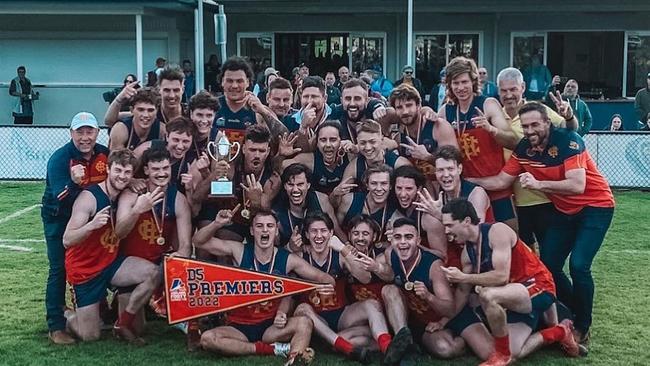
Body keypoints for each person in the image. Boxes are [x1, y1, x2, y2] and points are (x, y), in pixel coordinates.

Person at [468, 101, 615, 351]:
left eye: (535, 124)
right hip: (565, 211)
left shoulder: (568, 140)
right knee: (548, 266)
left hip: (596, 206)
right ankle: (571, 313)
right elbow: (502, 179)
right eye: (525, 126)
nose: (530, 130)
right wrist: (463, 178)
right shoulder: (525, 147)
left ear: (547, 122)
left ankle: (582, 326)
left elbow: (577, 185)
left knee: (579, 265)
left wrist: (538, 185)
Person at [439, 198, 580, 365]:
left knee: (487, 295)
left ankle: (501, 355)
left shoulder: (497, 231)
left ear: (466, 221)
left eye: (449, 225)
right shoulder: (467, 253)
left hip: (538, 285)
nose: (446, 231)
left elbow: (501, 277)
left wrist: (464, 277)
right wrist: (444, 319)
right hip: (512, 296)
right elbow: (462, 291)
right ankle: (558, 332)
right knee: (513, 354)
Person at [193, 210, 335, 365]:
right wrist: (217, 224)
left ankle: (295, 359)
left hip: (272, 326)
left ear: (275, 231)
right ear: (252, 231)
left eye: (270, 226)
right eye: (259, 226)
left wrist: (327, 286)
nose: (265, 230)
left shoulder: (287, 259)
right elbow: (199, 242)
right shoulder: (239, 250)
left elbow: (323, 278)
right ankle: (271, 350)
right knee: (207, 339)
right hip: (239, 326)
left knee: (304, 323)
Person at [62, 149, 160, 345]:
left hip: (111, 262)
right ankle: (66, 314)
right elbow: (67, 239)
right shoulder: (89, 197)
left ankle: (122, 322)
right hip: (85, 269)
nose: (122, 176)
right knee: (90, 335)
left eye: (127, 172)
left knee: (154, 273)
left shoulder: (125, 193)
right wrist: (91, 225)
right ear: (107, 169)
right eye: (118, 170)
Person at [41, 112, 110, 345]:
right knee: (59, 268)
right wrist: (73, 183)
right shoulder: (60, 159)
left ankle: (101, 308)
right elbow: (58, 196)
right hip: (58, 218)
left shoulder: (104, 154)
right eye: (79, 132)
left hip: (90, 217)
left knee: (100, 259)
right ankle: (56, 324)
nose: (84, 137)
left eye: (89, 131)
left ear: (97, 133)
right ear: (71, 133)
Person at [294, 212, 399, 363]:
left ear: (331, 233)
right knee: (302, 308)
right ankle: (346, 347)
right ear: (307, 234)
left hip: (342, 315)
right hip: (316, 320)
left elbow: (365, 278)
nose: (319, 235)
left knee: (372, 304)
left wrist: (343, 249)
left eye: (323, 231)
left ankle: (388, 349)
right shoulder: (300, 255)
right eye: (314, 231)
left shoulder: (340, 254)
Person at [496, 67, 577, 249]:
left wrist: (569, 116)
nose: (508, 95)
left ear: (523, 87)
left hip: (543, 199)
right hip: (510, 201)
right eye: (504, 90)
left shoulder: (537, 111)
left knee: (549, 257)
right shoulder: (494, 116)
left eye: (513, 89)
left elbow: (570, 129)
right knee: (523, 254)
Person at [354, 218, 455, 361]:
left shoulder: (433, 265)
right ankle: (406, 347)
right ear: (392, 240)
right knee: (389, 289)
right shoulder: (390, 253)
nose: (402, 242)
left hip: (432, 323)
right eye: (397, 237)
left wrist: (428, 296)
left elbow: (450, 309)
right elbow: (376, 273)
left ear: (418, 240)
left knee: (445, 349)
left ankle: (410, 347)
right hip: (405, 320)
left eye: (408, 237)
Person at [438, 57, 519, 228]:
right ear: (449, 85)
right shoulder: (446, 111)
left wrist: (492, 130)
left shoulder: (488, 104)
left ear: (473, 81)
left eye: (464, 82)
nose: (460, 88)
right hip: (466, 189)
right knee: (470, 240)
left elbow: (513, 141)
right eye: (455, 83)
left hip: (495, 187)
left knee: (509, 238)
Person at [389, 83, 457, 183]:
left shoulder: (438, 126)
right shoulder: (399, 137)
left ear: (419, 105)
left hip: (445, 186)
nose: (405, 111)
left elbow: (455, 163)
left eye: (409, 105)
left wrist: (427, 157)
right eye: (399, 107)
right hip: (418, 190)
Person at [272, 163, 343, 250]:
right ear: (285, 186)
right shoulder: (276, 212)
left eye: (300, 184)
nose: (295, 190)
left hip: (321, 255)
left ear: (308, 185)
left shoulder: (321, 200)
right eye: (290, 185)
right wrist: (290, 247)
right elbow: (274, 252)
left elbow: (337, 232)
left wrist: (348, 247)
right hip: (293, 258)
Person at [277, 121, 350, 195]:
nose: (328, 144)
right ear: (317, 143)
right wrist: (281, 155)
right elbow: (281, 168)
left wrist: (356, 149)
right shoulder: (310, 160)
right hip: (316, 202)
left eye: (333, 140)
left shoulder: (350, 156)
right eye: (323, 140)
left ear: (341, 141)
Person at [337, 165, 397, 247]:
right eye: (374, 183)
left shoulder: (394, 213)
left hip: (376, 254)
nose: (379, 188)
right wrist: (346, 245)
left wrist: (390, 241)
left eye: (384, 183)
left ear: (390, 186)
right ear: (367, 185)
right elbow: (335, 229)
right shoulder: (349, 201)